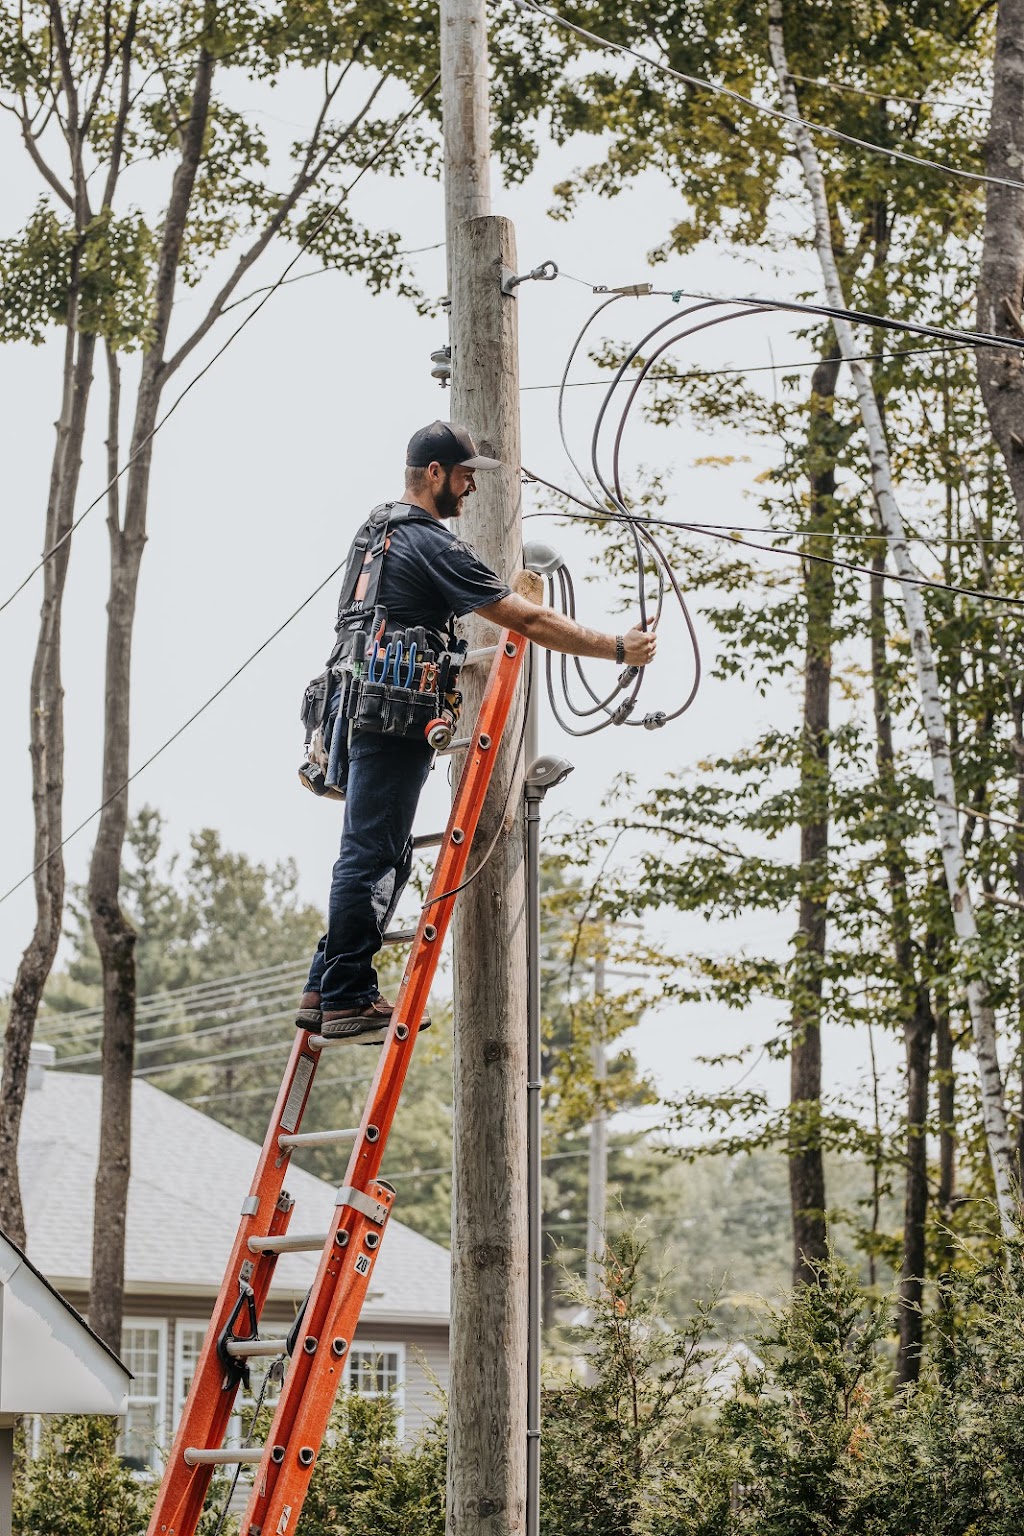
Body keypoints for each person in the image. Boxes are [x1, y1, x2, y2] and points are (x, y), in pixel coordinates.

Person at [298, 420, 657, 1041]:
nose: (469, 489)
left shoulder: (373, 532)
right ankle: (347, 997)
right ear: (433, 473)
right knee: (374, 854)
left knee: (377, 848)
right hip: (390, 717)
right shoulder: (427, 543)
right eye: (464, 475)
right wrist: (618, 647)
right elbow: (528, 618)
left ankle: (323, 984)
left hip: (350, 711)